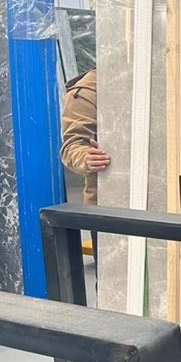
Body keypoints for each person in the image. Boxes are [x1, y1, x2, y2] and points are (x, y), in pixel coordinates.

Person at [60, 69, 111, 260]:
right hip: (107, 207)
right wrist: (86, 157)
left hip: (162, 203)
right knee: (112, 275)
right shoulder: (87, 90)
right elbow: (71, 146)